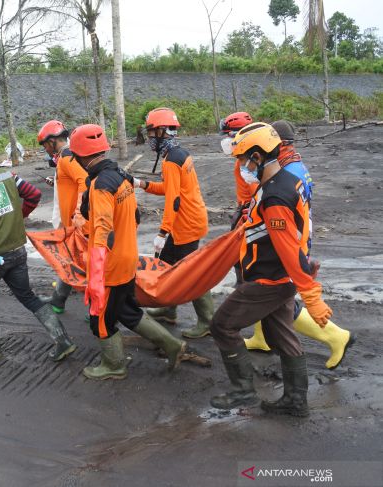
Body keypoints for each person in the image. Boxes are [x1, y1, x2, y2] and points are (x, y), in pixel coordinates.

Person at [209, 122, 333, 417]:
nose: (240, 165)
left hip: (269, 278)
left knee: (222, 325)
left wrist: (312, 296)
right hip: (280, 277)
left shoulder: (276, 195)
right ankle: (295, 401)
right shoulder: (283, 181)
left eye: (242, 158)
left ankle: (243, 391)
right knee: (281, 336)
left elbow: (288, 249)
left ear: (257, 156)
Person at [72, 124, 187, 380]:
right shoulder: (121, 175)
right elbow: (133, 217)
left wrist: (96, 280)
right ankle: (172, 345)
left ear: (81, 156)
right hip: (127, 258)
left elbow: (102, 230)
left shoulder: (101, 185)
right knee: (127, 311)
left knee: (100, 319)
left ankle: (114, 365)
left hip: (110, 267)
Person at [239, 120, 353, 369]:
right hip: (287, 244)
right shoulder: (294, 167)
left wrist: (303, 266)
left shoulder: (286, 175)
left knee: (279, 303)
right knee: (263, 292)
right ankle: (261, 338)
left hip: (286, 248)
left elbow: (287, 220)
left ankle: (336, 336)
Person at [0, 135, 76, 361]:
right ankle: (63, 340)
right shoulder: (7, 174)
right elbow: (34, 194)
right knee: (28, 296)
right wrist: (19, 217)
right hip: (18, 251)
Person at [135, 108, 214, 339]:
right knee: (168, 265)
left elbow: (173, 201)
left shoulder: (171, 161)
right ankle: (169, 309)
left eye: (151, 133)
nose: (149, 138)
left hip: (186, 224)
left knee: (191, 274)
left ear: (161, 131)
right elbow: (171, 190)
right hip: (190, 219)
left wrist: (162, 232)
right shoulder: (179, 153)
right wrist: (142, 184)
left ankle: (208, 320)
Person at [37, 120, 88, 313]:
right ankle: (58, 301)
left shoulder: (66, 157)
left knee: (84, 265)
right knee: (69, 260)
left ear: (52, 141)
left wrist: (78, 212)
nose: (45, 150)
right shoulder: (68, 156)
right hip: (70, 221)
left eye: (45, 145)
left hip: (76, 222)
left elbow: (85, 182)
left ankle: (96, 311)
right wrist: (56, 181)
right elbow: (72, 182)